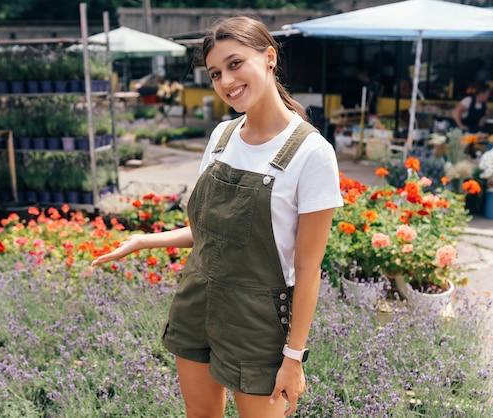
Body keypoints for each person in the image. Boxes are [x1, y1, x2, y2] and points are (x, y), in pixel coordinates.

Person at [92, 16, 343, 418]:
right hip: (197, 300)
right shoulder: (222, 138)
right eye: (215, 73)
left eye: (235, 64)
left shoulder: (312, 154)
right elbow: (208, 230)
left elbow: (308, 267)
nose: (226, 81)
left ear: (269, 57)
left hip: (257, 320)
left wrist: (293, 356)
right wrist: (143, 241)